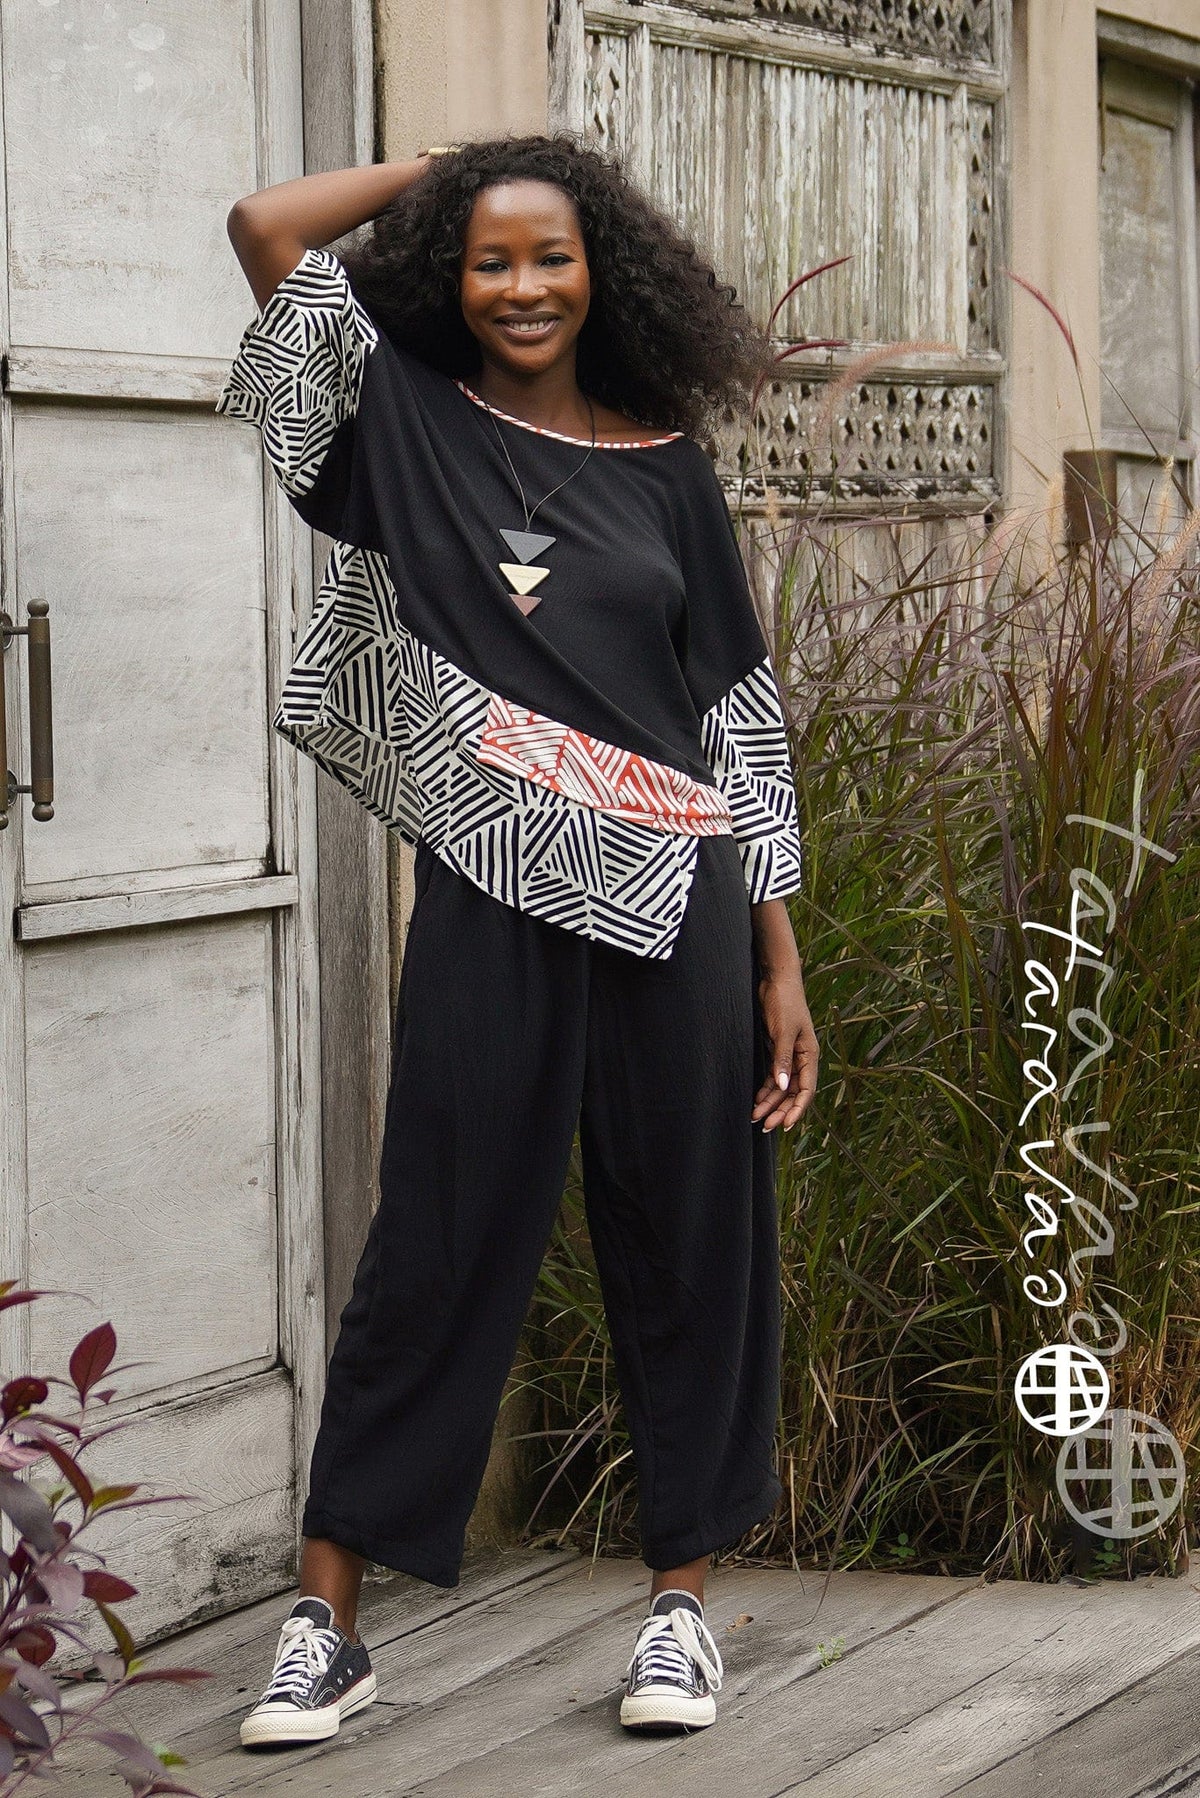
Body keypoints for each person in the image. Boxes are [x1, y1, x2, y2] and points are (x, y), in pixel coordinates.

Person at [216, 133, 818, 1748]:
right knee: (438, 1235)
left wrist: (780, 956)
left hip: (683, 902)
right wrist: (448, 165)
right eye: (491, 257)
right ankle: (326, 1624)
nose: (525, 286)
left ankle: (680, 1611)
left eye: (553, 254)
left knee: (691, 1240)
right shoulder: (398, 420)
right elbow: (263, 227)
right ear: (449, 274)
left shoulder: (671, 466)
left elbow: (736, 714)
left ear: (602, 270)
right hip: (492, 886)